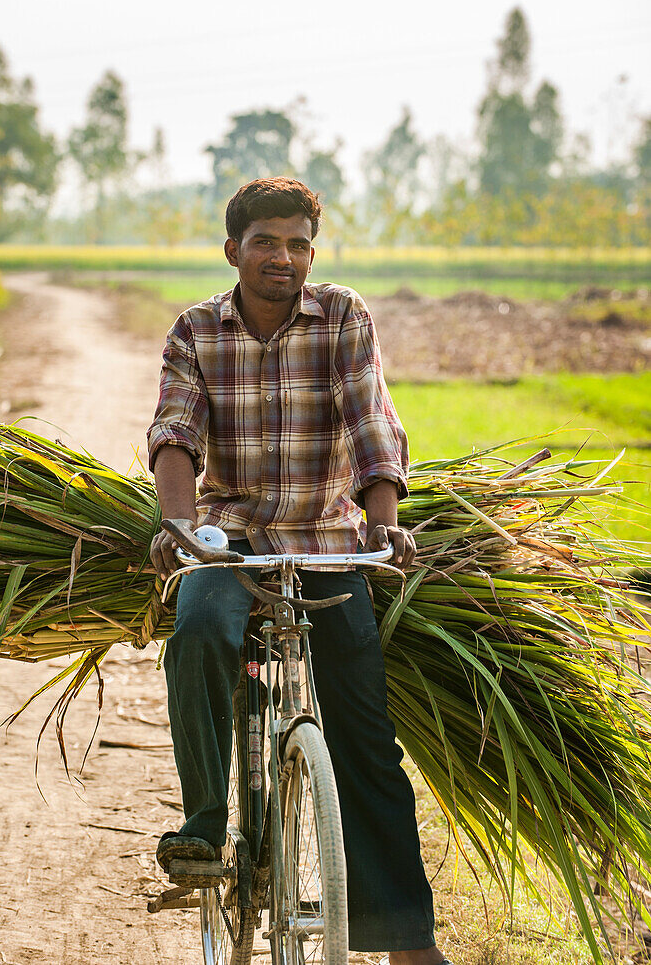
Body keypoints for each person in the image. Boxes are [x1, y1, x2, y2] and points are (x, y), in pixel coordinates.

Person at [147, 177, 452, 965]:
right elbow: (175, 432)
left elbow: (370, 417)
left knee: (365, 738)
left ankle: (407, 942)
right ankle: (206, 825)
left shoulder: (343, 314)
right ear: (233, 251)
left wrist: (383, 520)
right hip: (233, 535)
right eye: (266, 243)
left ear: (312, 253)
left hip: (326, 539)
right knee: (202, 630)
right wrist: (181, 527)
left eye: (298, 245)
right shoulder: (196, 330)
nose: (283, 258)